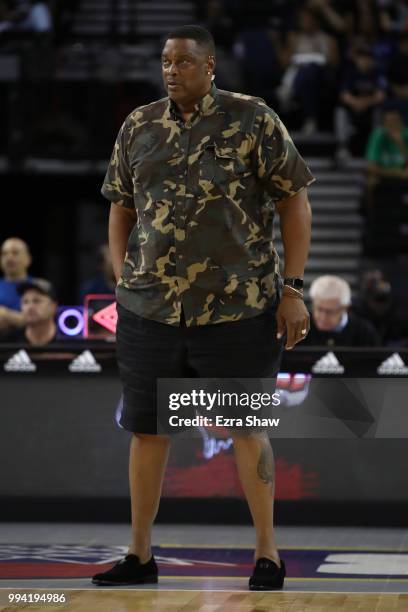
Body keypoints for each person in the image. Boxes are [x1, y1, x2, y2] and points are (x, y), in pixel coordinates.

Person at [92, 25, 314, 591]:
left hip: (238, 308)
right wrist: (121, 276)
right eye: (165, 61)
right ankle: (140, 555)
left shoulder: (253, 118)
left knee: (246, 429)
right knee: (147, 431)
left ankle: (268, 553)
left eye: (184, 62)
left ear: (210, 65)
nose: (172, 70)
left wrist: (292, 289)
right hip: (150, 309)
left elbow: (294, 201)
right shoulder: (139, 125)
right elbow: (119, 205)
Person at [335, 43, 386, 164]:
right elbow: (344, 95)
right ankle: (343, 146)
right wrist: (357, 103)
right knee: (340, 110)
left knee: (379, 111)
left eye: (368, 58)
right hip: (353, 109)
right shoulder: (350, 72)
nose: (365, 61)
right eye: (362, 57)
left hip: (370, 109)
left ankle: (376, 149)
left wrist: (364, 103)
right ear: (357, 59)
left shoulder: (376, 73)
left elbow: (381, 96)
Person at [303, 275, 380, 346]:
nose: (323, 317)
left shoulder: (364, 333)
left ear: (345, 308)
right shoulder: (299, 329)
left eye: (330, 312)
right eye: (319, 309)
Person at [1, 278, 58, 345]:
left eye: (37, 301)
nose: (30, 307)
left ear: (53, 307)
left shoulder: (67, 341)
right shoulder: (9, 342)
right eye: (25, 302)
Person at [0, 237, 32, 334]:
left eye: (15, 253)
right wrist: (19, 318)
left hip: (31, 346)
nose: (9, 258)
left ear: (28, 259)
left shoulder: (40, 287)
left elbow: (40, 320)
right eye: (4, 254)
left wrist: (5, 314)